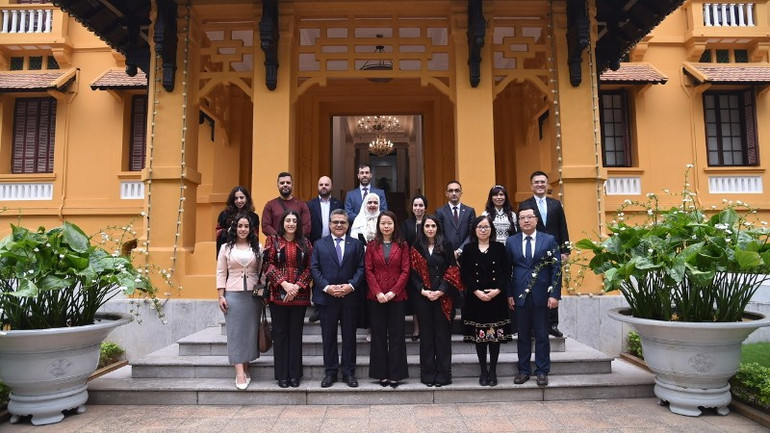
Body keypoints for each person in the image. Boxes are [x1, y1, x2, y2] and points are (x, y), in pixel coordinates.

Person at [506, 205, 561, 387]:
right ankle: (523, 370)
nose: (526, 220)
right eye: (522, 218)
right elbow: (507, 270)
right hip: (519, 295)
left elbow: (556, 268)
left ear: (536, 220)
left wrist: (554, 294)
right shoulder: (511, 241)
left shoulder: (549, 240)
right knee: (522, 335)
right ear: (518, 222)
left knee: (542, 335)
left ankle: (542, 371)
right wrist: (509, 294)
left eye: (529, 217)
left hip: (542, 295)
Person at [310, 209, 366, 388]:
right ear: (329, 224)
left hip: (350, 298)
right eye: (335, 222)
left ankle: (349, 372)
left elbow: (361, 268)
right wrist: (327, 288)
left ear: (348, 225)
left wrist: (351, 286)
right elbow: (314, 268)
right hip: (327, 299)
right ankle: (331, 372)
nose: (339, 225)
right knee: (329, 337)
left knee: (349, 337)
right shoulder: (319, 244)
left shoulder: (356, 245)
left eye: (343, 222)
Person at [409, 215, 464, 387]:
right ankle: (427, 375)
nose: (430, 229)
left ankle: (443, 375)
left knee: (442, 337)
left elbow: (453, 270)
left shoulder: (446, 245)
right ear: (422, 228)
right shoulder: (416, 246)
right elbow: (413, 272)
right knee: (426, 337)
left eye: (433, 226)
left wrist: (441, 290)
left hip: (443, 298)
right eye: (427, 226)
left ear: (438, 228)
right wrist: (422, 290)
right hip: (423, 297)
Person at [459, 215, 512, 387]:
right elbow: (465, 274)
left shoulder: (499, 248)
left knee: (494, 338)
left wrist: (497, 290)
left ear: (491, 230)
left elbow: (506, 272)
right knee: (480, 337)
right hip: (476, 299)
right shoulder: (468, 249)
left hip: (496, 298)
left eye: (486, 227)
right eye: (480, 227)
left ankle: (493, 371)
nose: (483, 230)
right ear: (474, 230)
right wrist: (477, 291)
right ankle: (483, 371)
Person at [263, 210, 313, 388]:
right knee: (280, 334)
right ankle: (282, 375)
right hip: (278, 294)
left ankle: (295, 374)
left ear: (298, 224)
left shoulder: (305, 243)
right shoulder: (273, 241)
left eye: (294, 221)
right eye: (288, 220)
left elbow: (311, 267)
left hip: (300, 295)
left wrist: (297, 286)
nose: (291, 223)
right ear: (282, 223)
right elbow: (267, 264)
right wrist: (284, 284)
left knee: (295, 334)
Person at [518, 171, 570, 338]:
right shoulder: (525, 204)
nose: (540, 185)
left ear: (547, 185)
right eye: (536, 182)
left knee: (553, 284)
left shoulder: (556, 204)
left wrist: (565, 250)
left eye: (542, 182)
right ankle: (534, 326)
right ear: (531, 185)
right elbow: (522, 227)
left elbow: (563, 226)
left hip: (553, 250)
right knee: (534, 286)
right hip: (534, 251)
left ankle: (552, 324)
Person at [216, 214, 264, 390]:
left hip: (253, 296)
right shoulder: (226, 248)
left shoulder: (258, 247)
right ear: (234, 228)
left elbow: (262, 273)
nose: (243, 229)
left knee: (250, 332)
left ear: (250, 229)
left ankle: (246, 365)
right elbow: (221, 272)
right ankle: (239, 373)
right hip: (233, 294)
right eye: (240, 226)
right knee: (235, 333)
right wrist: (221, 296)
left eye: (246, 226)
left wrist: (262, 295)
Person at [364, 211, 410, 388]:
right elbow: (368, 270)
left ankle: (396, 374)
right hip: (376, 298)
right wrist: (378, 292)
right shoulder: (372, 245)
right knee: (378, 335)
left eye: (389, 223)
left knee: (397, 336)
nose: (386, 226)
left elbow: (405, 271)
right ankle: (381, 374)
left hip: (397, 298)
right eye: (383, 223)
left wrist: (393, 292)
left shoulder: (403, 245)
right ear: (379, 225)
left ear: (394, 225)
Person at [306, 175, 344, 323]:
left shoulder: (338, 203)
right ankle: (318, 307)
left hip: (335, 243)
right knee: (317, 275)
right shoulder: (310, 205)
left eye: (326, 184)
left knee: (334, 273)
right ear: (318, 186)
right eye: (321, 184)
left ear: (331, 187)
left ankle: (336, 306)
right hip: (316, 244)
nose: (323, 187)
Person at [402, 194, 428, 341]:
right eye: (415, 205)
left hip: (429, 266)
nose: (418, 208)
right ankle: (417, 328)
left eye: (421, 205)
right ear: (411, 208)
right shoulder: (406, 224)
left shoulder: (430, 222)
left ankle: (427, 328)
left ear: (425, 207)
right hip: (412, 267)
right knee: (415, 299)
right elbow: (403, 244)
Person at [262, 172, 312, 237]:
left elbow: (307, 226)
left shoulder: (302, 205)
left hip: (296, 242)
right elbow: (265, 226)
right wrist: (279, 238)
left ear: (292, 185)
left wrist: (294, 238)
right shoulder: (270, 205)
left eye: (288, 183)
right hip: (276, 242)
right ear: (277, 185)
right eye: (282, 183)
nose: (285, 185)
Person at [435, 180, 476, 259]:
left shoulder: (469, 211)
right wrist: (450, 251)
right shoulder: (439, 212)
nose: (454, 193)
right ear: (446, 193)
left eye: (457, 190)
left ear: (461, 193)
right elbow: (439, 234)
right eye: (451, 191)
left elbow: (472, 233)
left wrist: (460, 250)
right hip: (446, 255)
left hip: (466, 254)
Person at [215, 186, 259, 258]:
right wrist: (229, 231)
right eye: (236, 198)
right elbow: (219, 235)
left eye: (241, 198)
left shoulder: (253, 217)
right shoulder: (224, 215)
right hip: (228, 252)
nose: (239, 201)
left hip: (247, 252)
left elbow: (255, 237)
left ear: (247, 199)